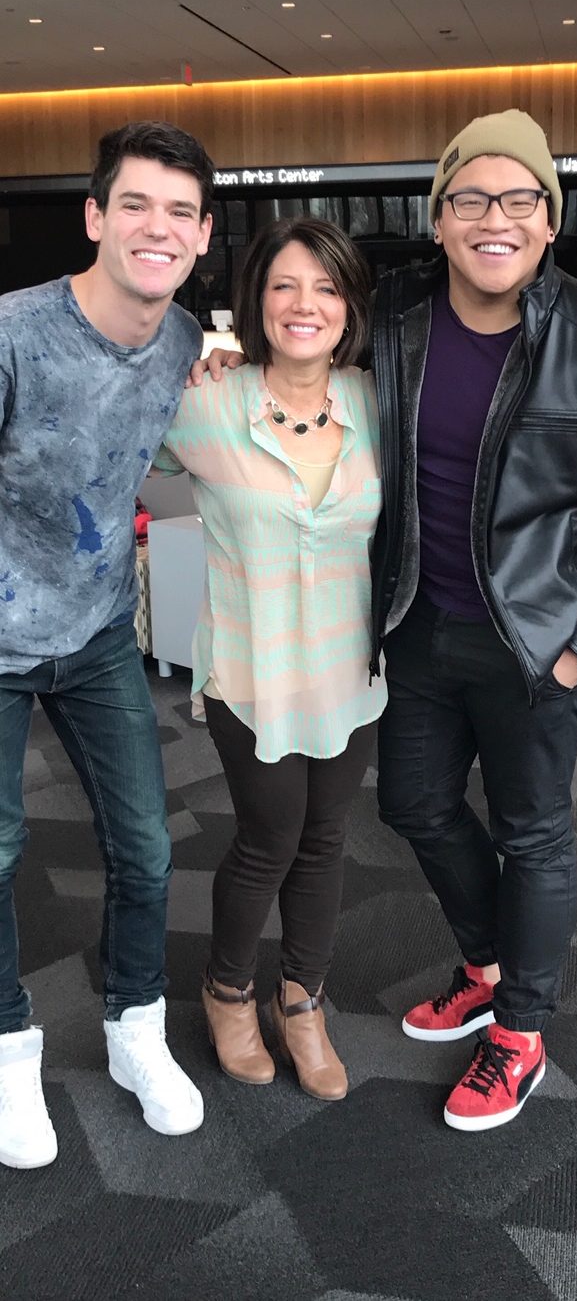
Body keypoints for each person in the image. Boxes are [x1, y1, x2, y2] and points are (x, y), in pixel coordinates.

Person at [370, 107, 577, 1131]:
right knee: (413, 804)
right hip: (421, 626)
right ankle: (488, 964)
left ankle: (521, 1031)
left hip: (535, 644)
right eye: (469, 197)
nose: (493, 218)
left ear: (550, 219)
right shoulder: (396, 317)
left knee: (534, 836)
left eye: (518, 198)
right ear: (439, 219)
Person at [0, 119, 213, 1168]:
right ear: (95, 217)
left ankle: (136, 1028)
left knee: (147, 846)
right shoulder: (14, 333)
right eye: (135, 204)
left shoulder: (184, 341)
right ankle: (8, 1048)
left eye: (179, 211)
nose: (156, 228)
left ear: (203, 234)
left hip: (93, 634)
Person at [153, 216, 386, 1101]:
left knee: (326, 840)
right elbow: (108, 438)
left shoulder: (376, 402)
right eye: (284, 285)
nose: (304, 304)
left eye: (326, 287)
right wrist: (185, 362)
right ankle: (227, 992)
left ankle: (304, 1004)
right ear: (255, 300)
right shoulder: (206, 402)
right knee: (270, 839)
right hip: (251, 674)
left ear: (349, 305)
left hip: (350, 675)